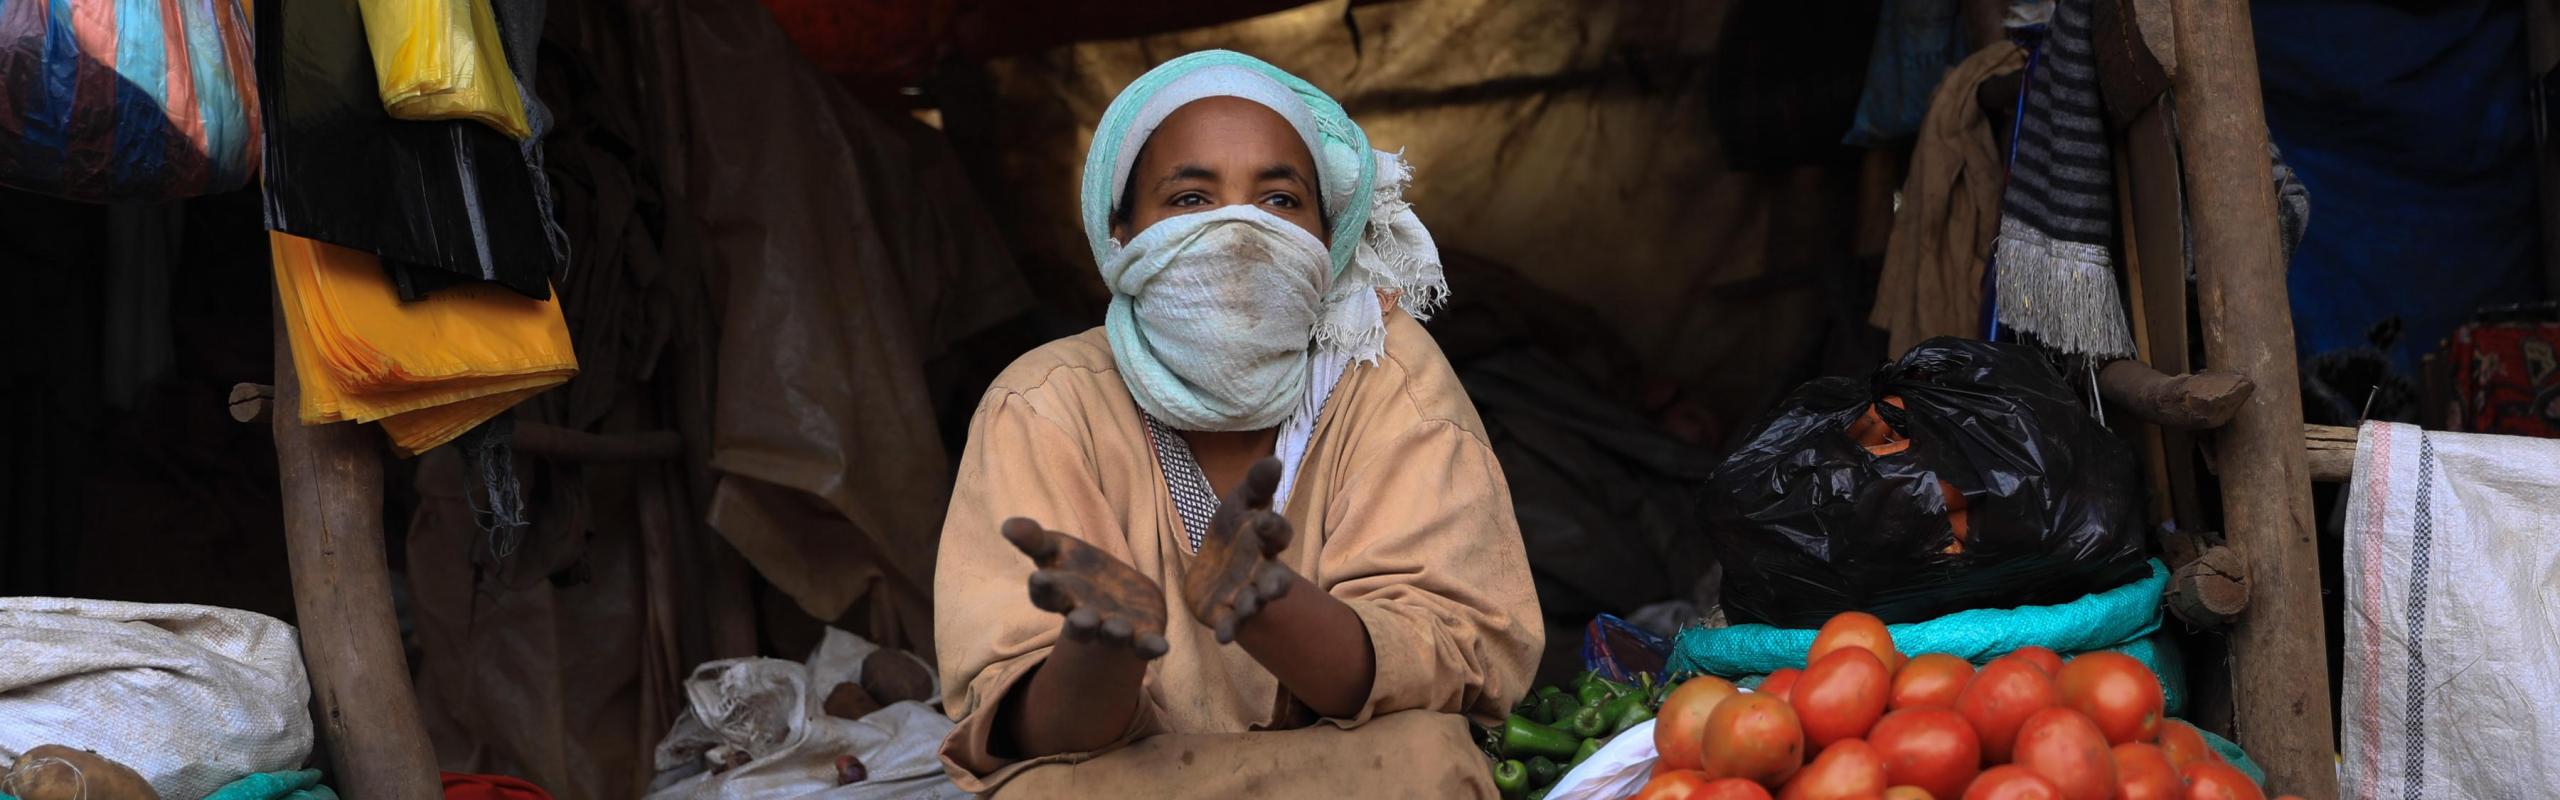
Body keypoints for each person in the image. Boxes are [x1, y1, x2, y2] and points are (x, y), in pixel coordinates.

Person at [932, 51, 1543, 796]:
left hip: (1347, 777)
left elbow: (1461, 660)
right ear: (1118, 231)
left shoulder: (1384, 374)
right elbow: (1022, 733)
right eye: (1191, 199)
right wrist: (1098, 652)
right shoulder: (1043, 403)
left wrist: (1272, 607)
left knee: (1430, 757)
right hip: (1136, 781)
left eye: (1281, 202)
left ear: (1331, 235)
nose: (1239, 232)